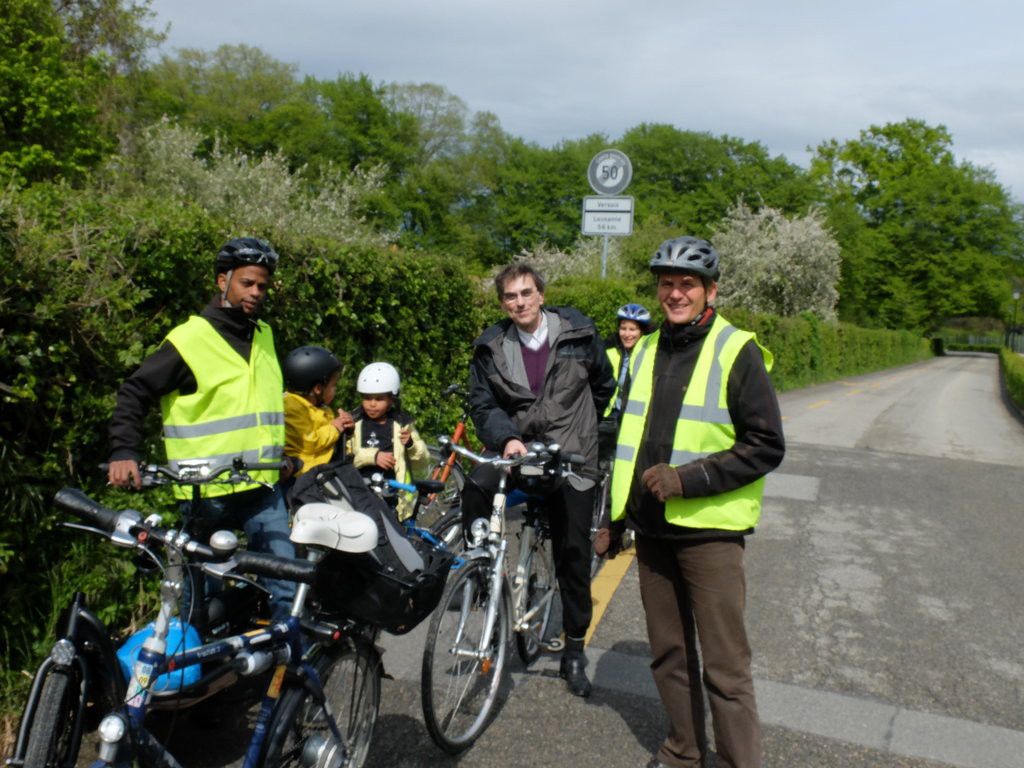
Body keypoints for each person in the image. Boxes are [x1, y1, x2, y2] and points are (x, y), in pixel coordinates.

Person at [596, 237, 785, 768]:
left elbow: (766, 445)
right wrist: (616, 518)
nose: (675, 293)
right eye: (666, 284)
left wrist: (689, 479)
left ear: (710, 290)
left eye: (687, 284)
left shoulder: (736, 348)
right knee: (669, 655)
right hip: (653, 532)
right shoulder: (649, 347)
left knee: (725, 667)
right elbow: (632, 440)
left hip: (710, 535)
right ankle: (683, 750)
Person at [107, 237, 296, 622]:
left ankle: (284, 671)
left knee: (284, 585)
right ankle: (198, 673)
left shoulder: (264, 335)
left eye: (262, 285)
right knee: (199, 601)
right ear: (222, 281)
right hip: (205, 492)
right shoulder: (189, 340)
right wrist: (124, 450)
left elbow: (260, 409)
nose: (256, 292)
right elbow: (136, 390)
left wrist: (284, 458)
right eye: (247, 283)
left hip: (262, 486)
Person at [463, 262, 615, 697]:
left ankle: (573, 650)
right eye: (510, 297)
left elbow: (603, 386)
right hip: (518, 451)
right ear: (502, 303)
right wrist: (507, 438)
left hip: (572, 457)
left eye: (526, 293)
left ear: (541, 295)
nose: (520, 302)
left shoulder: (578, 333)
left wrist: (580, 431)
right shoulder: (490, 346)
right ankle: (482, 577)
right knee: (475, 487)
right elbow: (482, 403)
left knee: (572, 552)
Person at [349, 361, 429, 520]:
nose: (372, 404)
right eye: (367, 398)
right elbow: (344, 459)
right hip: (358, 496)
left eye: (379, 398)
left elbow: (422, 462)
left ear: (391, 399)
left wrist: (411, 445)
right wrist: (372, 456)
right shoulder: (353, 423)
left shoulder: (402, 424)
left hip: (394, 498)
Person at [282, 345, 354, 481]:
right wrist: (335, 428)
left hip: (320, 469)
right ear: (318, 388)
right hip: (302, 475)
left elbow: (329, 440)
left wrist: (346, 429)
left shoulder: (320, 408)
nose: (335, 389)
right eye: (334, 385)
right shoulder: (291, 406)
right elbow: (309, 442)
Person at [599, 303, 653, 461]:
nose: (627, 334)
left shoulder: (650, 355)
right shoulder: (609, 350)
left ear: (642, 331)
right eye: (623, 328)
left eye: (632, 329)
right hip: (608, 417)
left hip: (634, 419)